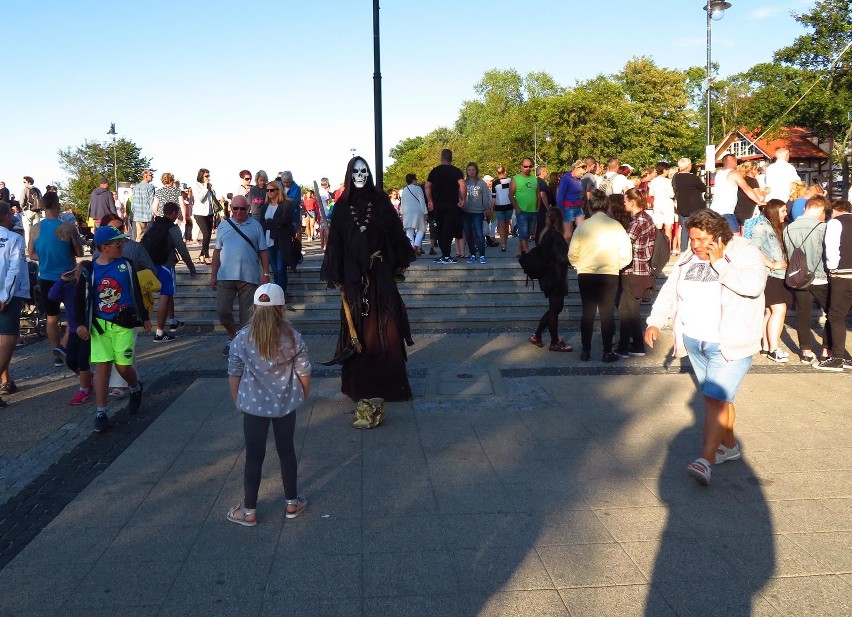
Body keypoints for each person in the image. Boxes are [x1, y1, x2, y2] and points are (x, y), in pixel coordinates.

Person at [647, 210, 767, 488]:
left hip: (730, 343)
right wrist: (655, 321)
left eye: (702, 239)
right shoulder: (689, 257)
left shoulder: (745, 252)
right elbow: (670, 291)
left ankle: (705, 460)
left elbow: (754, 286)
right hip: (695, 341)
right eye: (692, 238)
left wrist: (720, 262)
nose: (696, 244)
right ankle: (730, 447)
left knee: (714, 399)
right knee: (720, 400)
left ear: (718, 235)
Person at [320, 157, 416, 402]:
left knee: (387, 326)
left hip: (379, 273)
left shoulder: (381, 200)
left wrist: (395, 260)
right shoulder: (342, 206)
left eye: (364, 171)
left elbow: (394, 232)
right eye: (355, 171)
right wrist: (338, 272)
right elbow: (337, 243)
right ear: (349, 175)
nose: (360, 175)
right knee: (358, 331)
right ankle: (360, 385)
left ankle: (390, 386)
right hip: (354, 277)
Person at [225, 283, 310, 526]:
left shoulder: (242, 338)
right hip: (284, 404)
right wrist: (303, 394)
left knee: (254, 456)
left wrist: (237, 401)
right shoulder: (293, 337)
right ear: (282, 309)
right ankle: (292, 503)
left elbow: (235, 372)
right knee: (287, 451)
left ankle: (249, 511)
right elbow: (304, 371)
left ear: (254, 308)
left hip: (253, 406)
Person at [74, 225, 151, 432]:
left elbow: (136, 291)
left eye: (123, 242)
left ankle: (135, 387)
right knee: (102, 367)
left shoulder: (126, 265)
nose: (122, 246)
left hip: (124, 324)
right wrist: (80, 323)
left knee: (123, 366)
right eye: (118, 243)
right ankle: (101, 412)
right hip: (100, 326)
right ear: (104, 247)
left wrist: (144, 317)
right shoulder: (89, 270)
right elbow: (79, 299)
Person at [568, 190, 632, 362]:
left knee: (587, 313)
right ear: (606, 205)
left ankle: (586, 351)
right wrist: (616, 266)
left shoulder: (582, 226)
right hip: (608, 273)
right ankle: (607, 351)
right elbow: (627, 253)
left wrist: (578, 265)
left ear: (590, 206)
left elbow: (572, 253)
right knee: (607, 313)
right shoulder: (615, 226)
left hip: (586, 272)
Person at [28, 191, 84, 366]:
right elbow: (80, 252)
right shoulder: (67, 227)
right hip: (67, 276)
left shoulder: (35, 228)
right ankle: (68, 346)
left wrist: (45, 257)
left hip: (46, 276)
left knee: (52, 317)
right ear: (58, 205)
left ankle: (56, 351)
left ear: (43, 207)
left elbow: (31, 254)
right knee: (73, 314)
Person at [211, 194, 270, 357]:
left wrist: (265, 273)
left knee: (248, 316)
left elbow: (263, 251)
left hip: (249, 277)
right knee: (223, 311)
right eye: (235, 208)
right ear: (231, 208)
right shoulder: (223, 226)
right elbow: (217, 251)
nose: (239, 211)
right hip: (225, 277)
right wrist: (213, 275)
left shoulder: (256, 225)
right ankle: (233, 337)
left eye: (242, 208)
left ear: (248, 209)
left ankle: (244, 344)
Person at [141, 202, 198, 342]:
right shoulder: (173, 228)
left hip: (152, 264)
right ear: (173, 213)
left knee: (168, 294)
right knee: (165, 295)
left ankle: (172, 321)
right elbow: (182, 249)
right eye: (177, 213)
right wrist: (191, 267)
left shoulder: (154, 225)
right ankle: (159, 333)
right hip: (166, 264)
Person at [783, 195, 830, 364]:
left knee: (803, 314)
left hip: (797, 277)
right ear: (821, 210)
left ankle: (805, 351)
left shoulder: (788, 228)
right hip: (819, 277)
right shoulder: (822, 228)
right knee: (832, 313)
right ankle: (826, 350)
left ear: (805, 208)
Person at [616, 188, 656, 358]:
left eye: (625, 201)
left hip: (634, 269)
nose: (624, 204)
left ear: (632, 202)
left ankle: (627, 346)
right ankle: (635, 344)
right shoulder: (645, 218)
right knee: (629, 309)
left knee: (627, 309)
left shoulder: (639, 221)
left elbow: (624, 242)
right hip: (638, 269)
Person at [751, 199, 791, 362]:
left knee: (770, 311)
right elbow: (753, 248)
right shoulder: (762, 227)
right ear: (774, 211)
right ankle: (774, 348)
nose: (786, 213)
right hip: (770, 275)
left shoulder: (777, 227)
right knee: (779, 310)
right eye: (782, 211)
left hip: (778, 275)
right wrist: (771, 264)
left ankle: (766, 347)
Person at [528, 207, 572, 352]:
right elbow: (562, 258)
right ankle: (554, 342)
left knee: (555, 308)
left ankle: (537, 335)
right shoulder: (555, 236)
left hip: (549, 277)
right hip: (555, 278)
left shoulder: (545, 234)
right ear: (560, 220)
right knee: (555, 309)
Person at [815, 198, 852, 371]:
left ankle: (838, 357)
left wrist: (832, 268)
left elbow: (832, 247)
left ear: (835, 211)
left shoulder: (835, 223)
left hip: (843, 274)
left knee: (836, 315)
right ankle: (848, 358)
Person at [0, 202, 30, 406]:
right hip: (7, 297)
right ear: (4, 215)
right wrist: (4, 297)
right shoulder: (14, 238)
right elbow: (15, 270)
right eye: (10, 214)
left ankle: (5, 380)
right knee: (8, 341)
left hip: (5, 295)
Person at [425, 149, 465, 264]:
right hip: (452, 204)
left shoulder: (435, 171)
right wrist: (463, 199)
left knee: (440, 230)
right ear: (451, 158)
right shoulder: (456, 171)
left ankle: (445, 255)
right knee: (449, 230)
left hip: (439, 205)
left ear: (441, 158)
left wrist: (430, 201)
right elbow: (462, 185)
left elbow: (427, 186)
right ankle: (447, 255)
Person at [260, 180, 298, 294]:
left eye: (272, 190)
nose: (269, 192)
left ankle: (281, 293)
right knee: (275, 269)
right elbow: (262, 223)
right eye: (267, 190)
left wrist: (270, 222)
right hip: (267, 240)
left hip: (282, 240)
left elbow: (283, 220)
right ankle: (277, 293)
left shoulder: (286, 204)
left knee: (281, 268)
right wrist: (274, 223)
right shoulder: (265, 206)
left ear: (278, 191)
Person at [672, 157, 707, 250]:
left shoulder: (676, 177)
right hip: (695, 208)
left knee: (685, 230)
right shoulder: (693, 177)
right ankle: (697, 248)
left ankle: (683, 250)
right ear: (688, 166)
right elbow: (704, 188)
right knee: (698, 229)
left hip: (682, 207)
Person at [461, 162, 491, 264]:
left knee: (479, 233)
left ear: (476, 170)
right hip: (466, 211)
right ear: (467, 171)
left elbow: (486, 196)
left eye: (473, 170)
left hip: (478, 211)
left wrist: (486, 207)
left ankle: (482, 255)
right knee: (468, 234)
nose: (471, 172)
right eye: (469, 170)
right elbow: (460, 195)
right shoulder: (464, 183)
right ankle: (472, 254)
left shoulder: (481, 183)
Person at [510, 158, 540, 256]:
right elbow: (510, 195)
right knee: (523, 233)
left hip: (533, 211)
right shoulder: (516, 179)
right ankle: (527, 253)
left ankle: (520, 250)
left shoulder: (534, 179)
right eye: (525, 166)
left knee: (527, 234)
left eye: (530, 166)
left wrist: (538, 207)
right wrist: (517, 208)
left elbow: (538, 194)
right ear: (521, 167)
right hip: (522, 211)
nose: (528, 168)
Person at [555, 160, 587, 243]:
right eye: (581, 173)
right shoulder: (566, 178)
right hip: (568, 208)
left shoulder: (578, 179)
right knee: (568, 234)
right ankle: (560, 251)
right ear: (576, 168)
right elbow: (560, 195)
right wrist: (561, 210)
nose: (582, 175)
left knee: (583, 231)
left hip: (578, 207)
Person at [400, 173, 427, 255]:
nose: (416, 180)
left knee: (409, 231)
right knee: (422, 229)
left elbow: (403, 202)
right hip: (418, 211)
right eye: (416, 179)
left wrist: (402, 213)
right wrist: (425, 212)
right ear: (413, 180)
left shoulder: (405, 189)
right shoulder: (418, 188)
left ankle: (411, 248)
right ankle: (416, 245)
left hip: (407, 212)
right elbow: (422, 201)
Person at [193, 168, 215, 265]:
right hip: (199, 213)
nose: (207, 178)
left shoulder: (209, 186)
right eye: (206, 176)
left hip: (210, 212)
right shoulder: (196, 186)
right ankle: (206, 256)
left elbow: (212, 198)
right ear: (201, 176)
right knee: (205, 234)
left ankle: (201, 254)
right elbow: (200, 199)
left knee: (209, 235)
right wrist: (206, 187)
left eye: (208, 176)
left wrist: (211, 189)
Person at [492, 166, 513, 252]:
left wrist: (491, 206)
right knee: (506, 224)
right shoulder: (510, 180)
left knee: (501, 225)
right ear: (505, 171)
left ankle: (503, 244)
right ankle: (505, 243)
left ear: (497, 173)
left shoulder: (495, 183)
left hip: (499, 206)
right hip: (509, 205)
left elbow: (494, 196)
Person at [130, 169, 156, 240]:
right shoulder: (150, 187)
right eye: (151, 175)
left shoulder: (136, 187)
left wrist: (133, 213)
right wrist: (154, 213)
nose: (152, 177)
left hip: (138, 215)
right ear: (145, 176)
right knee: (149, 236)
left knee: (139, 236)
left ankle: (138, 250)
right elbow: (152, 201)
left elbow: (133, 202)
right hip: (148, 215)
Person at [19, 176, 43, 250]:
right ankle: (37, 246)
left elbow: (22, 201)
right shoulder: (38, 190)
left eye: (24, 182)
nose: (23, 184)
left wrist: (22, 208)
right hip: (37, 212)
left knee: (27, 230)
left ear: (29, 182)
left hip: (28, 211)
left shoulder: (25, 189)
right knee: (36, 230)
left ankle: (29, 248)